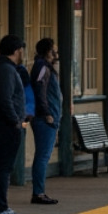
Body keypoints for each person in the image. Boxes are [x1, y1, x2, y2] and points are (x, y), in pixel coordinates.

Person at [0, 34, 28, 214]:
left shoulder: (2, 68)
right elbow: (5, 99)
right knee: (4, 167)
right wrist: (15, 121)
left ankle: (1, 207)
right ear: (17, 51)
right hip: (4, 124)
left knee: (3, 166)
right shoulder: (7, 70)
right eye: (21, 51)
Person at [28, 38, 62, 205]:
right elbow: (39, 90)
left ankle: (39, 191)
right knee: (42, 156)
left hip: (47, 117)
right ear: (47, 51)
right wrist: (47, 113)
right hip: (45, 118)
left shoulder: (44, 67)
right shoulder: (42, 67)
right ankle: (38, 193)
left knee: (43, 156)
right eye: (53, 50)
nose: (56, 54)